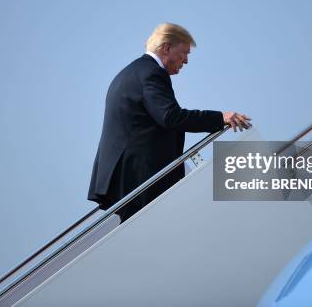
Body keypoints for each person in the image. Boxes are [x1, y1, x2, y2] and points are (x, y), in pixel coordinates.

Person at [87, 23, 251, 221]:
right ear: (166, 48)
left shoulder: (130, 72)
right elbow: (171, 117)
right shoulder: (151, 73)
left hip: (125, 177)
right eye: (184, 53)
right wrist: (220, 118)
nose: (186, 60)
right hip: (140, 178)